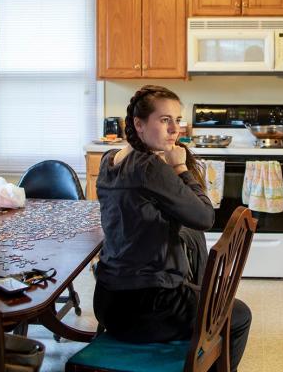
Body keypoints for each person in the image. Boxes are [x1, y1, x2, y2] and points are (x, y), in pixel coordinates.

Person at [93, 85, 251, 371]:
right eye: (164, 120)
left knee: (193, 288)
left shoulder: (109, 160)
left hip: (107, 303)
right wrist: (180, 169)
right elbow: (204, 217)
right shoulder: (151, 168)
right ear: (139, 125)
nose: (174, 129)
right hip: (148, 307)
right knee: (238, 315)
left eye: (177, 120)